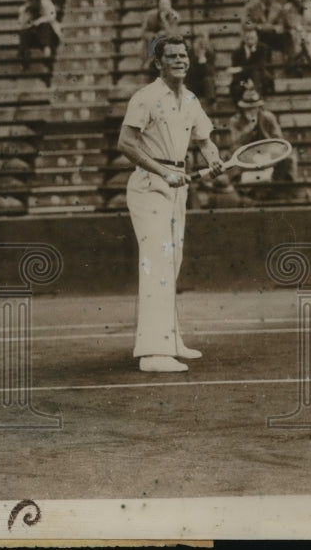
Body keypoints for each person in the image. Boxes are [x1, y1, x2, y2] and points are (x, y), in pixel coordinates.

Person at [116, 35, 224, 373]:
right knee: (157, 264)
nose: (180, 60)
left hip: (178, 187)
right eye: (172, 56)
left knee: (171, 264)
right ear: (158, 62)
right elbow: (126, 143)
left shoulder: (190, 99)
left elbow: (204, 140)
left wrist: (214, 157)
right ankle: (152, 353)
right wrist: (164, 172)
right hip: (150, 186)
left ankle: (171, 340)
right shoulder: (145, 97)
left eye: (183, 55)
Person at [228, 83, 298, 191]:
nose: (251, 111)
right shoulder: (235, 120)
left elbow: (279, 138)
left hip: (268, 151)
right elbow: (235, 142)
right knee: (229, 157)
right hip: (245, 153)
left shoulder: (268, 117)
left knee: (289, 158)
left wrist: (269, 148)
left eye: (254, 108)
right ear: (242, 108)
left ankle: (279, 187)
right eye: (248, 108)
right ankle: (241, 190)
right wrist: (249, 129)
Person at [17, 0, 63, 73]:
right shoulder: (24, 8)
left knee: (45, 27)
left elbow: (52, 16)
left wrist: (39, 21)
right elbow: (21, 24)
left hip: (49, 34)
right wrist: (27, 16)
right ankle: (24, 61)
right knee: (23, 33)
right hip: (34, 35)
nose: (33, 1)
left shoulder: (46, 4)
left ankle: (47, 58)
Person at [228, 27, 274, 105]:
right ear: (243, 38)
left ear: (257, 38)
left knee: (256, 73)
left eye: (252, 37)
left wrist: (241, 69)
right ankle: (241, 110)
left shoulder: (263, 48)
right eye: (247, 37)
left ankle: (258, 105)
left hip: (260, 79)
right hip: (243, 81)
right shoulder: (237, 52)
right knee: (237, 88)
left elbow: (260, 66)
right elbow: (235, 72)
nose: (250, 39)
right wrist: (245, 83)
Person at [281, 0, 311, 73]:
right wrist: (298, 29)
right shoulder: (288, 7)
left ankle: (310, 57)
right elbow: (289, 24)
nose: (299, 0)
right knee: (296, 36)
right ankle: (300, 59)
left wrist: (304, 29)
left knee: (310, 38)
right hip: (293, 34)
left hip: (309, 32)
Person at [140, 0, 181, 80]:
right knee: (152, 41)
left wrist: (164, 21)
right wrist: (154, 35)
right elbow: (143, 33)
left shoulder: (175, 16)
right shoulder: (151, 16)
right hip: (154, 42)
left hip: (169, 41)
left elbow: (173, 34)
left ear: (170, 6)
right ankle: (149, 63)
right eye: (162, 4)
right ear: (158, 6)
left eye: (166, 4)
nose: (164, 6)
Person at [186, 28, 217, 108]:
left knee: (208, 80)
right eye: (199, 41)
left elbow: (210, 73)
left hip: (205, 86)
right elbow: (189, 74)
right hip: (193, 83)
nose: (202, 44)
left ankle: (211, 104)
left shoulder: (210, 54)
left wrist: (203, 62)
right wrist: (197, 59)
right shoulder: (190, 53)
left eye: (204, 41)